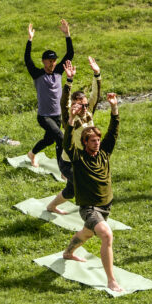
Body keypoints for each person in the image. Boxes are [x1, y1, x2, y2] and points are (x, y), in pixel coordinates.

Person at [60, 87, 123, 295]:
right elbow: (67, 141)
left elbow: (113, 132)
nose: (96, 143)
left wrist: (114, 109)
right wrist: (70, 118)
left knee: (87, 233)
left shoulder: (104, 153)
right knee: (106, 235)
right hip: (89, 207)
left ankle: (68, 252)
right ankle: (111, 280)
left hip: (106, 206)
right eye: (92, 141)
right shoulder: (78, 157)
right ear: (84, 142)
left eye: (98, 140)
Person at [43, 54, 101, 217]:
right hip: (68, 162)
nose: (82, 107)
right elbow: (64, 102)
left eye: (84, 104)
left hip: (84, 159)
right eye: (78, 104)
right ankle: (91, 211)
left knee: (71, 190)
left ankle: (51, 206)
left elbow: (95, 95)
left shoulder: (88, 111)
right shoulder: (69, 117)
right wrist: (69, 80)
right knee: (82, 184)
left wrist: (97, 74)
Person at [25, 17, 74, 164]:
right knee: (60, 137)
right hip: (44, 116)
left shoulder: (59, 71)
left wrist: (67, 35)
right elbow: (27, 60)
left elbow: (70, 54)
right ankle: (63, 169)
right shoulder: (37, 74)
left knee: (49, 140)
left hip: (57, 114)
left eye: (54, 61)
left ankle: (31, 154)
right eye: (49, 61)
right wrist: (29, 40)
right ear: (43, 61)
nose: (52, 63)